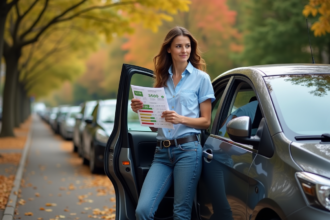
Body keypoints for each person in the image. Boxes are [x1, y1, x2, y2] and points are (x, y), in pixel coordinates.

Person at [130, 26, 215, 220]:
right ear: (169, 49)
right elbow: (155, 125)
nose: (184, 50)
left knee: (181, 212)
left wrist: (180, 119)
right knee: (143, 210)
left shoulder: (201, 79)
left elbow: (206, 121)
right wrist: (142, 110)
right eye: (179, 46)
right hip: (161, 153)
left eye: (187, 46)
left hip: (188, 151)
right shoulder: (162, 80)